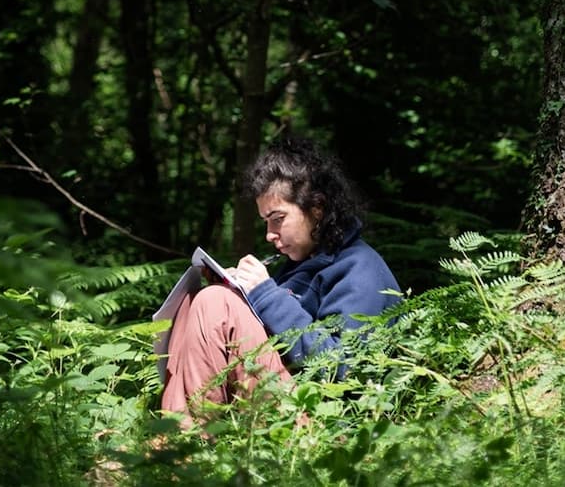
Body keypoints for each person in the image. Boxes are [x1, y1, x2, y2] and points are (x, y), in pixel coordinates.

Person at [160, 136, 401, 419]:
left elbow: (344, 369)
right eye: (266, 222)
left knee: (216, 303)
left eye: (278, 218)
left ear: (317, 209)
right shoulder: (297, 263)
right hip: (287, 401)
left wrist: (263, 294)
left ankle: (189, 442)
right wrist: (239, 295)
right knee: (195, 303)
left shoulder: (361, 269)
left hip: (322, 421)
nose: (269, 235)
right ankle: (175, 436)